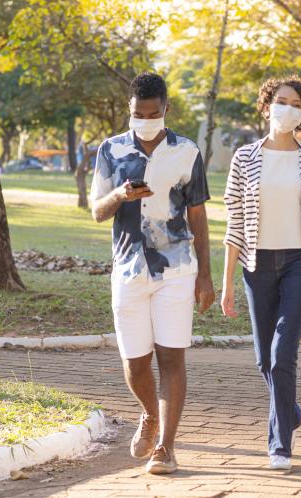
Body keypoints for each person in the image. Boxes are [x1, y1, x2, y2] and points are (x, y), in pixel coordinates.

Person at [90, 72, 215, 475]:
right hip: (128, 269)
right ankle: (149, 413)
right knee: (135, 363)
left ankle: (166, 447)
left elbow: (197, 214)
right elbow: (97, 211)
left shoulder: (187, 152)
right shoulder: (111, 150)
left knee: (171, 357)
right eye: (138, 113)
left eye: (153, 113)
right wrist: (120, 194)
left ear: (165, 110)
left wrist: (205, 276)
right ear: (130, 109)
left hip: (176, 268)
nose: (145, 118)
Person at [221, 76, 301, 471]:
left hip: (300, 263)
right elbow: (234, 223)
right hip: (256, 264)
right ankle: (288, 410)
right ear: (267, 105)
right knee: (262, 359)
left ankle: (280, 444)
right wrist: (226, 285)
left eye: (296, 104)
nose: (287, 109)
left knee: (281, 352)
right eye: (281, 101)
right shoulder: (244, 158)